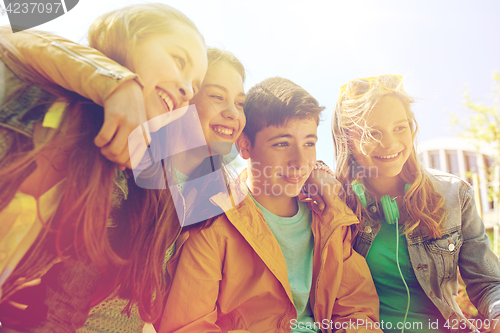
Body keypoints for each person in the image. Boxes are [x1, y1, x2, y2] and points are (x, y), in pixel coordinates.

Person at [0, 3, 207, 331]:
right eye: (179, 60)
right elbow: (7, 35)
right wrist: (117, 83)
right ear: (130, 39)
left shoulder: (113, 188)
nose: (187, 89)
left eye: (194, 86)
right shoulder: (24, 92)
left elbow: (57, 313)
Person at [159, 77, 382, 333]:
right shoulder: (213, 223)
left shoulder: (330, 218)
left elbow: (358, 312)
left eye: (309, 143)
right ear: (244, 146)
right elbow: (188, 325)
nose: (299, 161)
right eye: (282, 144)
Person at [332, 74, 500, 333]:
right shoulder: (333, 204)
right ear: (347, 140)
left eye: (399, 127)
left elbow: (488, 283)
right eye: (373, 133)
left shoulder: (455, 195)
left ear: (412, 128)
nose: (389, 143)